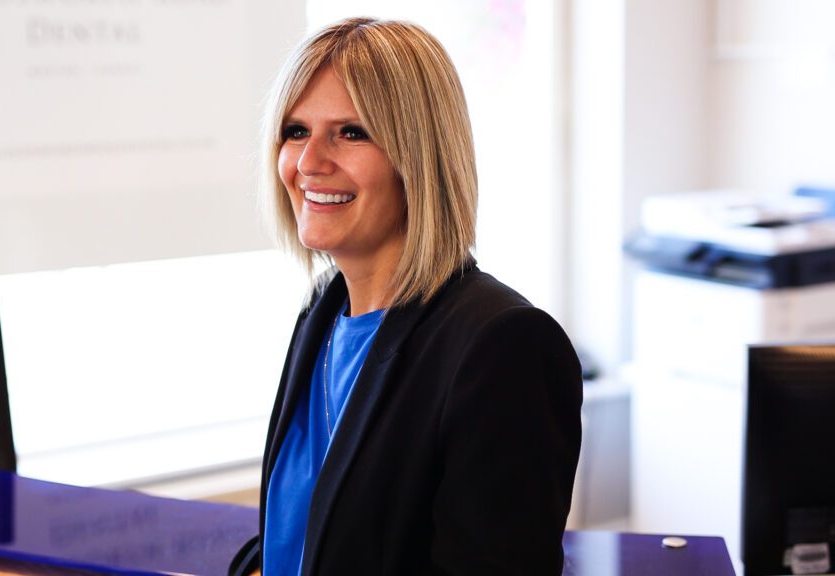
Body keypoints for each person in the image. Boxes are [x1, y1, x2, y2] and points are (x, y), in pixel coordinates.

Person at [230, 17, 583, 576]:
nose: (308, 163)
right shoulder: (322, 313)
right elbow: (307, 537)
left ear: (418, 158)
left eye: (351, 132)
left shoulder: (504, 345)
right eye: (296, 131)